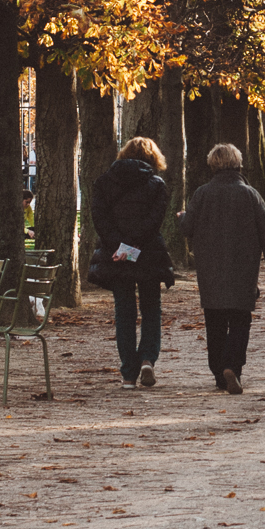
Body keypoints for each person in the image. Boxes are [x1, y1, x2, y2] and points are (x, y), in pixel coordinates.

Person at [179, 141, 265, 395]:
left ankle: (219, 371)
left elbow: (187, 229)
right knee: (240, 320)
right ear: (238, 164)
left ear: (212, 164)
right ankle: (232, 366)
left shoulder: (202, 193)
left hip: (210, 271)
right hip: (243, 269)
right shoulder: (250, 195)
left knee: (214, 320)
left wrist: (182, 218)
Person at [90, 136, 175, 389]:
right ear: (153, 158)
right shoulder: (156, 185)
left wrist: (120, 246)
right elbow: (154, 222)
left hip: (116, 256)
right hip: (147, 254)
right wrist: (134, 245)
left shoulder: (103, 183)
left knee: (124, 312)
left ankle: (128, 372)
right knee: (151, 309)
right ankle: (148, 357)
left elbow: (100, 219)